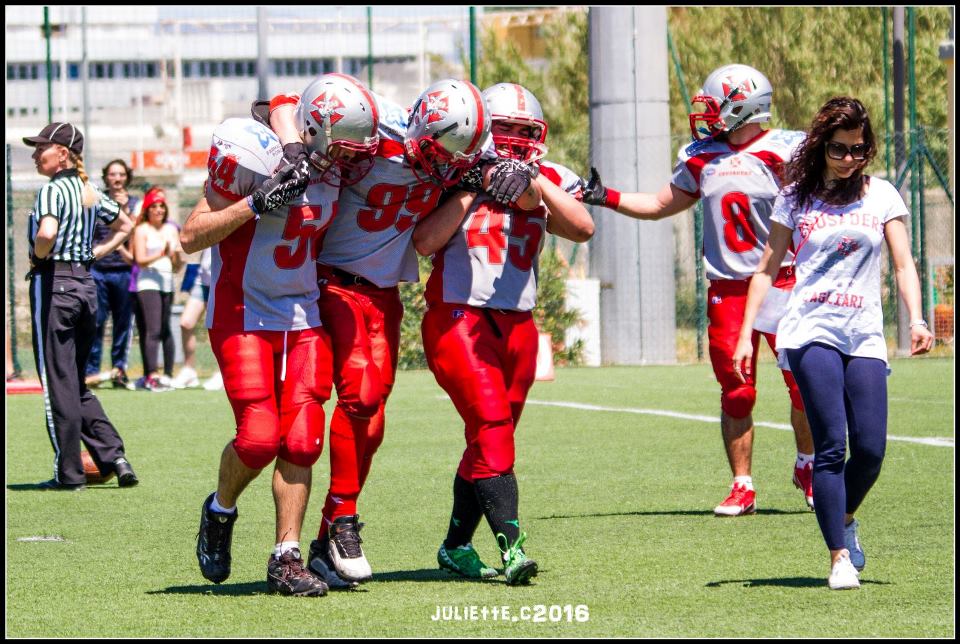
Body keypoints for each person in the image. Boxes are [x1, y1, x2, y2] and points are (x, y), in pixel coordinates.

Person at [265, 77, 526, 584]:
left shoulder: (468, 149)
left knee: (374, 416)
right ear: (420, 127)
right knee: (360, 394)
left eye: (457, 161)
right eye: (440, 156)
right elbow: (281, 102)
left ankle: (326, 537)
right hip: (332, 278)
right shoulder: (378, 121)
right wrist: (294, 145)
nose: (447, 169)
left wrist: (508, 170)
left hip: (384, 290)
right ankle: (343, 518)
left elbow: (501, 164)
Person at [582, 64, 816, 516]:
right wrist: (606, 196)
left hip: (783, 280)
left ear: (742, 105)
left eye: (715, 103)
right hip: (727, 288)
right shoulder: (700, 156)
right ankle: (742, 485)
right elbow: (658, 204)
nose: (706, 113)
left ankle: (807, 464)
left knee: (804, 385)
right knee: (737, 391)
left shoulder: (787, 150)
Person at [183, 73, 382, 596]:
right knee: (258, 437)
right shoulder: (254, 152)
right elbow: (190, 236)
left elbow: (290, 103)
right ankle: (220, 509)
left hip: (303, 315)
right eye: (344, 148)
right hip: (242, 311)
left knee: (303, 438)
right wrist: (257, 201)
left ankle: (285, 557)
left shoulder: (334, 163)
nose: (352, 161)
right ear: (312, 131)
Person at [732, 96, 934, 589]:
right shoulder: (795, 198)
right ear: (822, 146)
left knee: (870, 449)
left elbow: (903, 263)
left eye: (858, 150)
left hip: (863, 333)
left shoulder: (882, 195)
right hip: (809, 330)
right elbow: (766, 269)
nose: (848, 158)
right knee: (830, 446)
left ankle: (843, 517)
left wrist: (916, 318)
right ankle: (838, 557)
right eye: (839, 149)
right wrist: (744, 335)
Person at [414, 82, 593, 584]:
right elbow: (423, 242)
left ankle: (454, 546)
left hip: (519, 324)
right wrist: (476, 184)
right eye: (504, 128)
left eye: (523, 129)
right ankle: (513, 549)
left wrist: (535, 180)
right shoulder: (453, 170)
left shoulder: (548, 177)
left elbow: (582, 228)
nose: (514, 137)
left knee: (490, 439)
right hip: (459, 317)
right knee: (492, 429)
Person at [23, 122, 139, 490]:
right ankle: (115, 456)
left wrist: (37, 256)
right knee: (74, 382)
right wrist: (96, 253)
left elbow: (46, 233)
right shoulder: (90, 191)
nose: (34, 154)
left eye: (41, 148)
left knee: (57, 384)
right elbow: (126, 224)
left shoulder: (52, 190)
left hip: (54, 284)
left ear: (62, 154)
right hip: (85, 285)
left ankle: (69, 473)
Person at [84, 159, 140, 390]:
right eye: (113, 174)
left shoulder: (135, 203)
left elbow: (133, 232)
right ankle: (92, 372)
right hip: (98, 269)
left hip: (124, 270)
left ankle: (119, 370)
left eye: (121, 174)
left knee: (123, 323)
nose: (117, 179)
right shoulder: (96, 200)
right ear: (106, 177)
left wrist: (125, 209)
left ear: (127, 177)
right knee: (95, 321)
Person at [132, 187, 182, 392]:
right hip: (148, 283)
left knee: (165, 328)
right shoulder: (142, 230)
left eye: (162, 206)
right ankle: (151, 374)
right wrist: (161, 253)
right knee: (153, 329)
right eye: (154, 206)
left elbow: (177, 264)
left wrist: (176, 256)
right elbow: (140, 260)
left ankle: (168, 374)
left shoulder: (171, 229)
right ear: (147, 209)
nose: (159, 210)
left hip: (167, 281)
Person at [169, 247, 217, 389]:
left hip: (219, 280)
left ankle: (222, 373)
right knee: (186, 323)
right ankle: (189, 371)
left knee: (216, 329)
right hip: (202, 280)